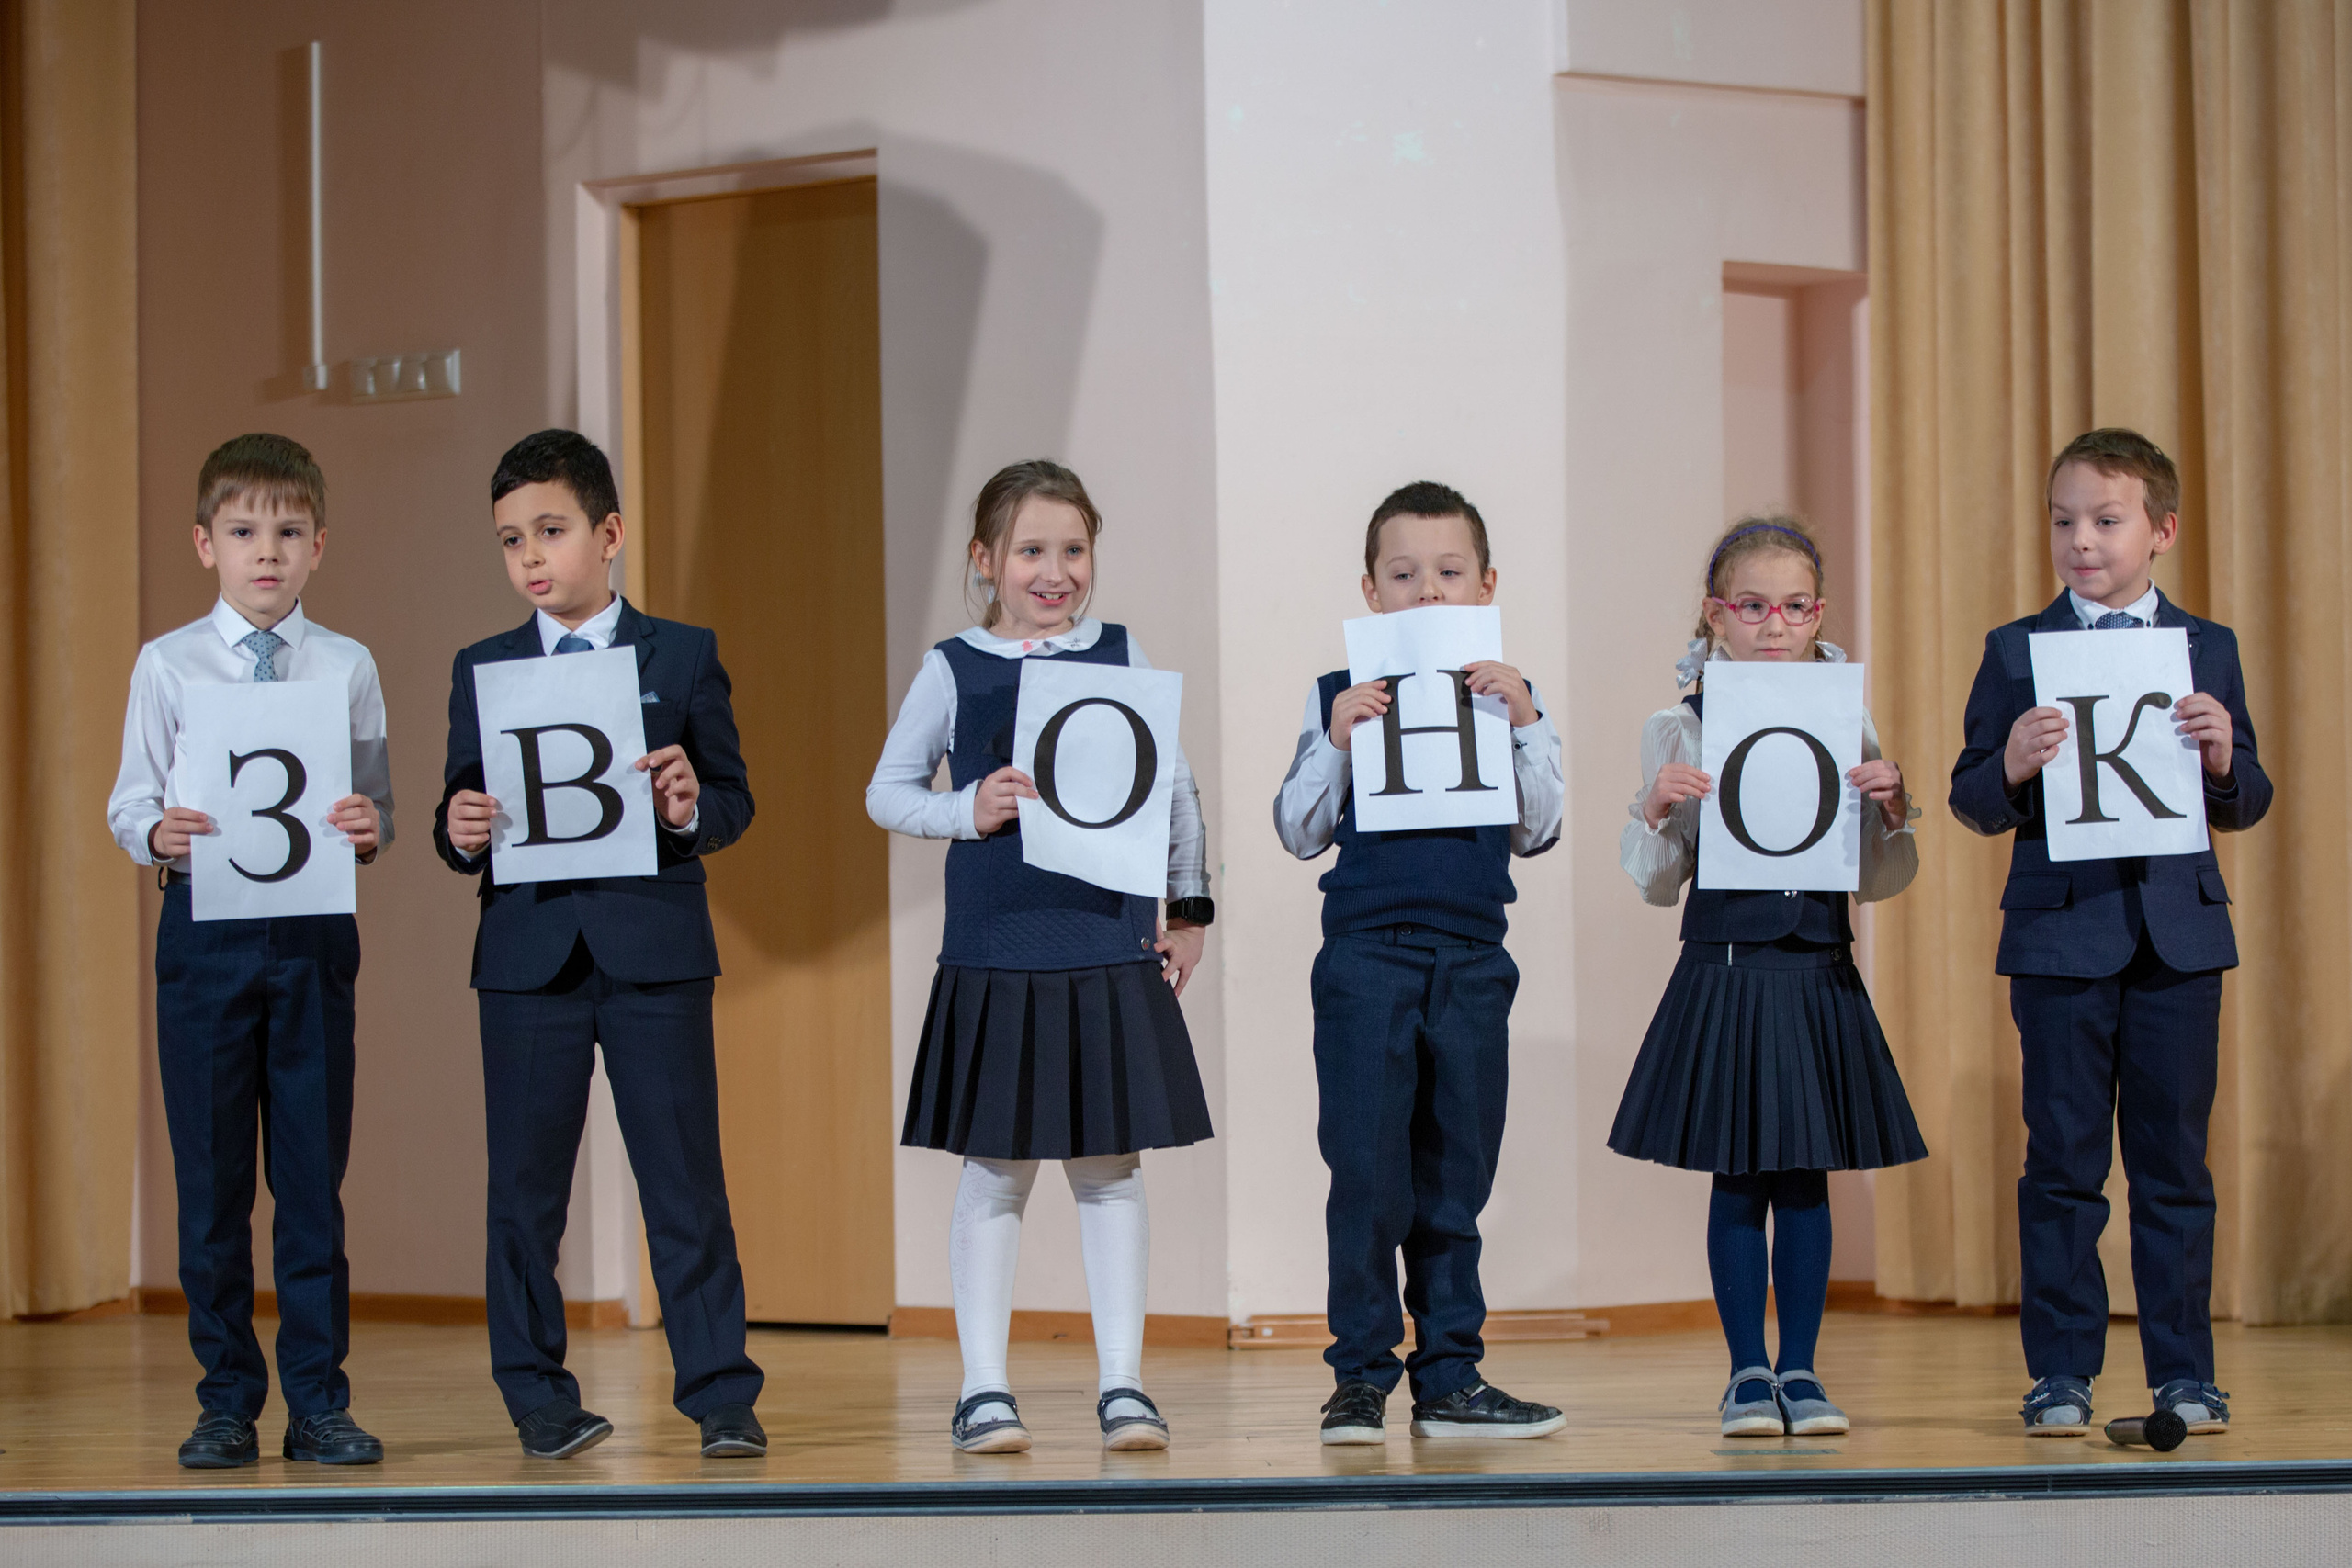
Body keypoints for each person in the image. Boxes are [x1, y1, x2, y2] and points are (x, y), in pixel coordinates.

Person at [866, 459, 1214, 1455]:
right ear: (985, 561)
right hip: (995, 951)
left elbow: (1175, 786)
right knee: (997, 1169)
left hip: (1105, 942)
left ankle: (1123, 1385)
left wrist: (1186, 910)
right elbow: (886, 791)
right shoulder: (952, 667)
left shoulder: (1120, 649)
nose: (1053, 571)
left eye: (1072, 550)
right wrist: (962, 812)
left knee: (1111, 1168)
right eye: (1030, 551)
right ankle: (983, 1388)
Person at [433, 429, 765, 1460]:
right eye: (508, 541)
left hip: (654, 955)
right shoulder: (482, 665)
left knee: (683, 1184)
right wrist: (459, 827)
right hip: (528, 962)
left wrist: (682, 807)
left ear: (608, 533)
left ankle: (720, 1397)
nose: (531, 557)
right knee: (523, 1196)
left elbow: (732, 800)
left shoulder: (682, 653)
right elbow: (460, 804)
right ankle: (536, 1396)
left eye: (550, 531)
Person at [1950, 428, 2268, 1438]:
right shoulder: (2015, 650)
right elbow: (1969, 799)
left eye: (2104, 519)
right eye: (2062, 521)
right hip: (2059, 943)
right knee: (2062, 1167)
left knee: (2174, 1167)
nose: (2080, 540)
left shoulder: (2205, 646)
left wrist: (2222, 758)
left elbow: (2248, 798)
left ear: (2160, 530)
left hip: (2179, 944)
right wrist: (2007, 764)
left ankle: (2184, 1374)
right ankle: (2059, 1374)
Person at [107, 434, 393, 1468]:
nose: (264, 551)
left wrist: (371, 823)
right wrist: (154, 833)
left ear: (319, 544)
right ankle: (226, 1399)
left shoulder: (349, 665)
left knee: (312, 1182)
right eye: (242, 532)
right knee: (215, 1182)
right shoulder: (167, 663)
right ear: (205, 543)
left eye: (285, 532)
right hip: (205, 934)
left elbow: (378, 809)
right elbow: (130, 797)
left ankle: (319, 1401)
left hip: (315, 937)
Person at [1611, 513, 1926, 1439]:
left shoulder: (1845, 714)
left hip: (1817, 962)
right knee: (1740, 1174)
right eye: (1752, 605)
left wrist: (1894, 810)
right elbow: (1656, 886)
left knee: (1804, 1176)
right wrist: (1654, 810)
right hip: (1729, 965)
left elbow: (1873, 876)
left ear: (1817, 613)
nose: (1773, 624)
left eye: (1793, 606)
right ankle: (1746, 1370)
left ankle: (1802, 1369)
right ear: (1717, 615)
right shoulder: (1677, 723)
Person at [1273, 480, 1566, 1446]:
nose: (1426, 592)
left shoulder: (1507, 697)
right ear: (1370, 590)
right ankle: (1358, 1378)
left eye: (1448, 574)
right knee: (1365, 1175)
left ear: (1485, 585)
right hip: (1364, 960)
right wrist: (1335, 743)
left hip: (1473, 961)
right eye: (1403, 575)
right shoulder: (1340, 699)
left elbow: (1542, 828)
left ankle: (1450, 1377)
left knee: (1455, 1180)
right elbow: (1294, 830)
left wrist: (1524, 719)